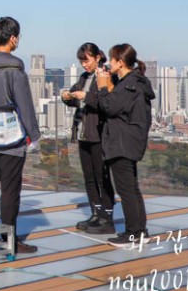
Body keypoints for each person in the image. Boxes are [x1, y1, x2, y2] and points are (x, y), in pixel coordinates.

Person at [0, 17, 42, 254]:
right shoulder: (15, 65)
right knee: (10, 189)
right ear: (13, 37)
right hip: (11, 136)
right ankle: (9, 238)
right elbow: (24, 103)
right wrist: (33, 134)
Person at [95, 43, 154, 247]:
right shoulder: (136, 82)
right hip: (131, 140)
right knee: (132, 188)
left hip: (122, 142)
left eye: (112, 60)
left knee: (126, 190)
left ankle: (132, 233)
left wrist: (103, 86)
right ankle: (140, 231)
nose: (109, 63)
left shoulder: (129, 84)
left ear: (120, 63)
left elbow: (110, 107)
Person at [61, 43, 115, 234]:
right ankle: (96, 212)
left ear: (97, 58)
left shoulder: (106, 75)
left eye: (87, 60)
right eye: (82, 61)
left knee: (102, 177)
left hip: (99, 134)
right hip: (84, 133)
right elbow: (77, 99)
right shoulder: (84, 77)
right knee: (89, 177)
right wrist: (67, 97)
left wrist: (86, 96)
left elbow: (108, 102)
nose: (84, 65)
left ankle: (107, 216)